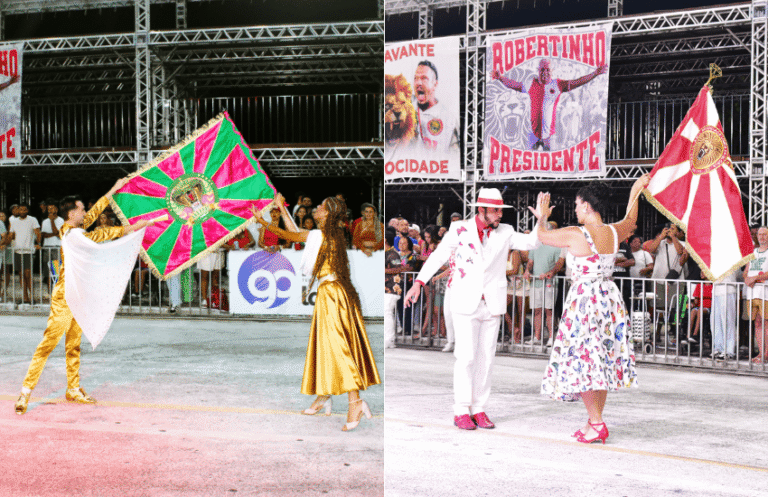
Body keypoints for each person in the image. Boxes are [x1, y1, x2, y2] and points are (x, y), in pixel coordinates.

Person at [403, 187, 543, 431]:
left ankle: (479, 408)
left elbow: (532, 242)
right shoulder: (459, 229)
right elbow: (437, 258)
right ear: (482, 210)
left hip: (493, 302)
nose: (500, 214)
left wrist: (541, 220)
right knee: (466, 357)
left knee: (486, 359)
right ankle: (461, 409)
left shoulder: (506, 231)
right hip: (465, 300)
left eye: (501, 210)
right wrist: (418, 283)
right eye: (496, 210)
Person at [14, 180, 159, 414]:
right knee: (47, 345)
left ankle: (73, 388)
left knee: (74, 345)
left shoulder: (76, 229)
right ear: (72, 212)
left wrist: (112, 190)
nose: (85, 212)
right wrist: (130, 229)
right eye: (81, 209)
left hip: (79, 294)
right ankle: (25, 392)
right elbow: (99, 235)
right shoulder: (71, 234)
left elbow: (93, 217)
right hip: (64, 297)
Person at [251, 194, 380, 431]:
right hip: (331, 293)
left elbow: (290, 235)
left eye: (320, 207)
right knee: (326, 346)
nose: (317, 208)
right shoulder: (325, 234)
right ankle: (324, 395)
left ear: (328, 213)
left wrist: (263, 221)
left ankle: (356, 402)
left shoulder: (323, 235)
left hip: (332, 295)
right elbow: (297, 231)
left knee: (339, 348)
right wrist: (280, 207)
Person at [538, 174, 648, 444]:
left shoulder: (577, 234)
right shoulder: (613, 232)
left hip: (585, 300)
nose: (575, 210)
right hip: (608, 298)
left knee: (585, 361)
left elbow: (542, 236)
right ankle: (593, 421)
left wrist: (541, 215)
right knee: (601, 361)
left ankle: (597, 423)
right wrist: (635, 189)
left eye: (577, 205)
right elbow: (631, 221)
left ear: (587, 205)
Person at [491, 59, 608, 151]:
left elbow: (578, 82)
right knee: (529, 167)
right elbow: (515, 85)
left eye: (547, 69)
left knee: (550, 165)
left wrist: (595, 74)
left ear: (551, 71)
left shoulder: (558, 84)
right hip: (533, 134)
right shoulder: (531, 83)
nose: (545, 72)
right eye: (542, 70)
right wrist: (500, 78)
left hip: (549, 137)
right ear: (538, 70)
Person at [524, 221, 565, 348]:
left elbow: (559, 264)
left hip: (550, 283)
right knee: (537, 311)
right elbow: (531, 262)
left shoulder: (557, 246)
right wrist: (527, 270)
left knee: (549, 311)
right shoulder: (535, 246)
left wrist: (551, 272)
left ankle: (552, 338)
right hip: (536, 283)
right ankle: (537, 337)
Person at [413, 60, 460, 153]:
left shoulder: (448, 119)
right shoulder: (406, 111)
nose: (419, 83)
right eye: (416, 78)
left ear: (435, 84)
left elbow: (454, 155)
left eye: (424, 78)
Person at [744, 226, 768, 363]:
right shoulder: (753, 252)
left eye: (765, 234)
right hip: (753, 293)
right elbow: (746, 271)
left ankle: (766, 353)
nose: (762, 237)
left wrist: (754, 279)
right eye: (760, 234)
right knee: (758, 323)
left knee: (766, 323)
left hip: (765, 293)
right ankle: (761, 353)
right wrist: (748, 278)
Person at [9, 203, 41, 304]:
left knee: (28, 274)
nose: (22, 211)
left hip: (28, 251)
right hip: (17, 250)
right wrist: (5, 243)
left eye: (24, 210)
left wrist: (38, 243)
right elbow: (11, 235)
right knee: (21, 275)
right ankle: (25, 297)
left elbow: (38, 233)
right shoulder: (14, 221)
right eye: (20, 210)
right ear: (18, 211)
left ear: (27, 211)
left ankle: (32, 297)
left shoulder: (32, 220)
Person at [40, 199, 64, 289]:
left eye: (52, 208)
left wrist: (52, 221)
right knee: (47, 271)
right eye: (49, 208)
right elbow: (43, 235)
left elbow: (58, 234)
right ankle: (50, 290)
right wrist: (54, 233)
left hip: (57, 248)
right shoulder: (44, 221)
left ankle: (57, 290)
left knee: (57, 271)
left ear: (56, 210)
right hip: (47, 247)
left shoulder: (61, 220)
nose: (50, 210)